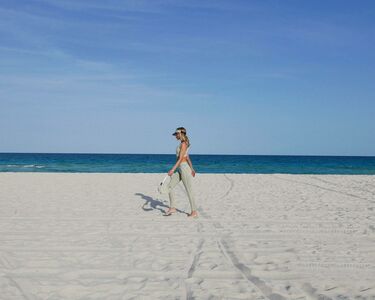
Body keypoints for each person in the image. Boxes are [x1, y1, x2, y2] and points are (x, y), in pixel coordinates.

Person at [164, 127, 198, 218]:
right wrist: (192, 168)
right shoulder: (183, 143)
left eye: (176, 134)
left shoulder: (183, 144)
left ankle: (194, 211)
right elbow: (187, 157)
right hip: (181, 168)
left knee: (189, 190)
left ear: (181, 134)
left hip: (184, 168)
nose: (175, 136)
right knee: (169, 186)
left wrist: (172, 169)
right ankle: (172, 207)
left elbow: (181, 158)